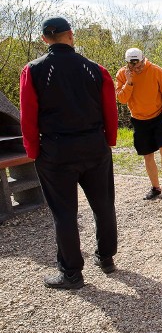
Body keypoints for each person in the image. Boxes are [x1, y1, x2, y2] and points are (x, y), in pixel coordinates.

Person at [19, 16, 118, 289]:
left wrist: (33, 150)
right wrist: (110, 139)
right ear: (71, 35)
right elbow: (110, 109)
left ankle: (72, 273)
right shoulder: (95, 69)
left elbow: (28, 117)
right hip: (94, 145)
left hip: (56, 150)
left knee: (64, 213)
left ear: (44, 39)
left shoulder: (33, 70)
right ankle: (106, 258)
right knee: (103, 204)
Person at [115, 47, 162, 203]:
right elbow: (121, 99)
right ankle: (156, 188)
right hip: (139, 120)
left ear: (143, 59)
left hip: (159, 117)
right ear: (127, 64)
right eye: (133, 66)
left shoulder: (156, 70)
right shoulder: (122, 74)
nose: (137, 68)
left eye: (139, 65)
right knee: (147, 155)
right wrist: (129, 82)